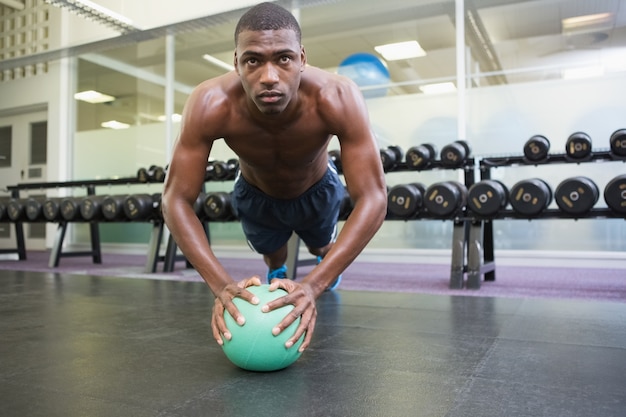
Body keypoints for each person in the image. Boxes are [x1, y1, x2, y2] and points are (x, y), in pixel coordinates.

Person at [161, 2, 387, 353]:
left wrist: (314, 284)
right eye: (253, 60)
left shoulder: (336, 97)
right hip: (256, 194)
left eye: (283, 59)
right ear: (236, 62)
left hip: (318, 188)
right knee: (274, 256)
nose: (269, 76)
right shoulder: (211, 102)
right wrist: (221, 286)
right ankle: (279, 275)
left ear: (301, 58)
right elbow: (174, 199)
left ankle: (320, 259)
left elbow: (373, 198)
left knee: (320, 247)